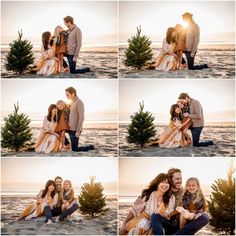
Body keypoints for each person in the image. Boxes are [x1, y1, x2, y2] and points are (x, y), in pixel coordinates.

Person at [151, 168, 209, 235]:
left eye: (180, 179)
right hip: (169, 224)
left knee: (205, 217)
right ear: (170, 179)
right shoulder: (165, 190)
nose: (179, 181)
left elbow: (202, 206)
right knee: (155, 216)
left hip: (183, 226)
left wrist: (200, 212)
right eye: (177, 179)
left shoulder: (185, 192)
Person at [65, 87, 94, 152]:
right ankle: (67, 144)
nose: (66, 96)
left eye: (67, 94)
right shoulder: (71, 103)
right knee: (58, 131)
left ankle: (91, 147)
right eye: (66, 95)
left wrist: (78, 131)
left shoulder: (79, 102)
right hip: (69, 128)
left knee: (75, 149)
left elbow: (81, 117)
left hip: (75, 130)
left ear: (73, 93)